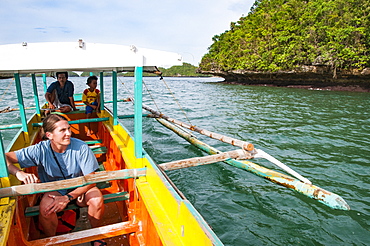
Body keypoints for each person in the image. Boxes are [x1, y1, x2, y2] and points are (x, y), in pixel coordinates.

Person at [5, 114, 105, 245]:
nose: (68, 133)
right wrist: (19, 173)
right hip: (55, 189)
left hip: (81, 186)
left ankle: (95, 235)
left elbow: (91, 179)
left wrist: (69, 197)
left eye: (68, 129)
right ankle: (52, 240)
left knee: (96, 199)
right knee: (45, 209)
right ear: (49, 135)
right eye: (62, 130)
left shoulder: (81, 147)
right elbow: (4, 158)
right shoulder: (39, 149)